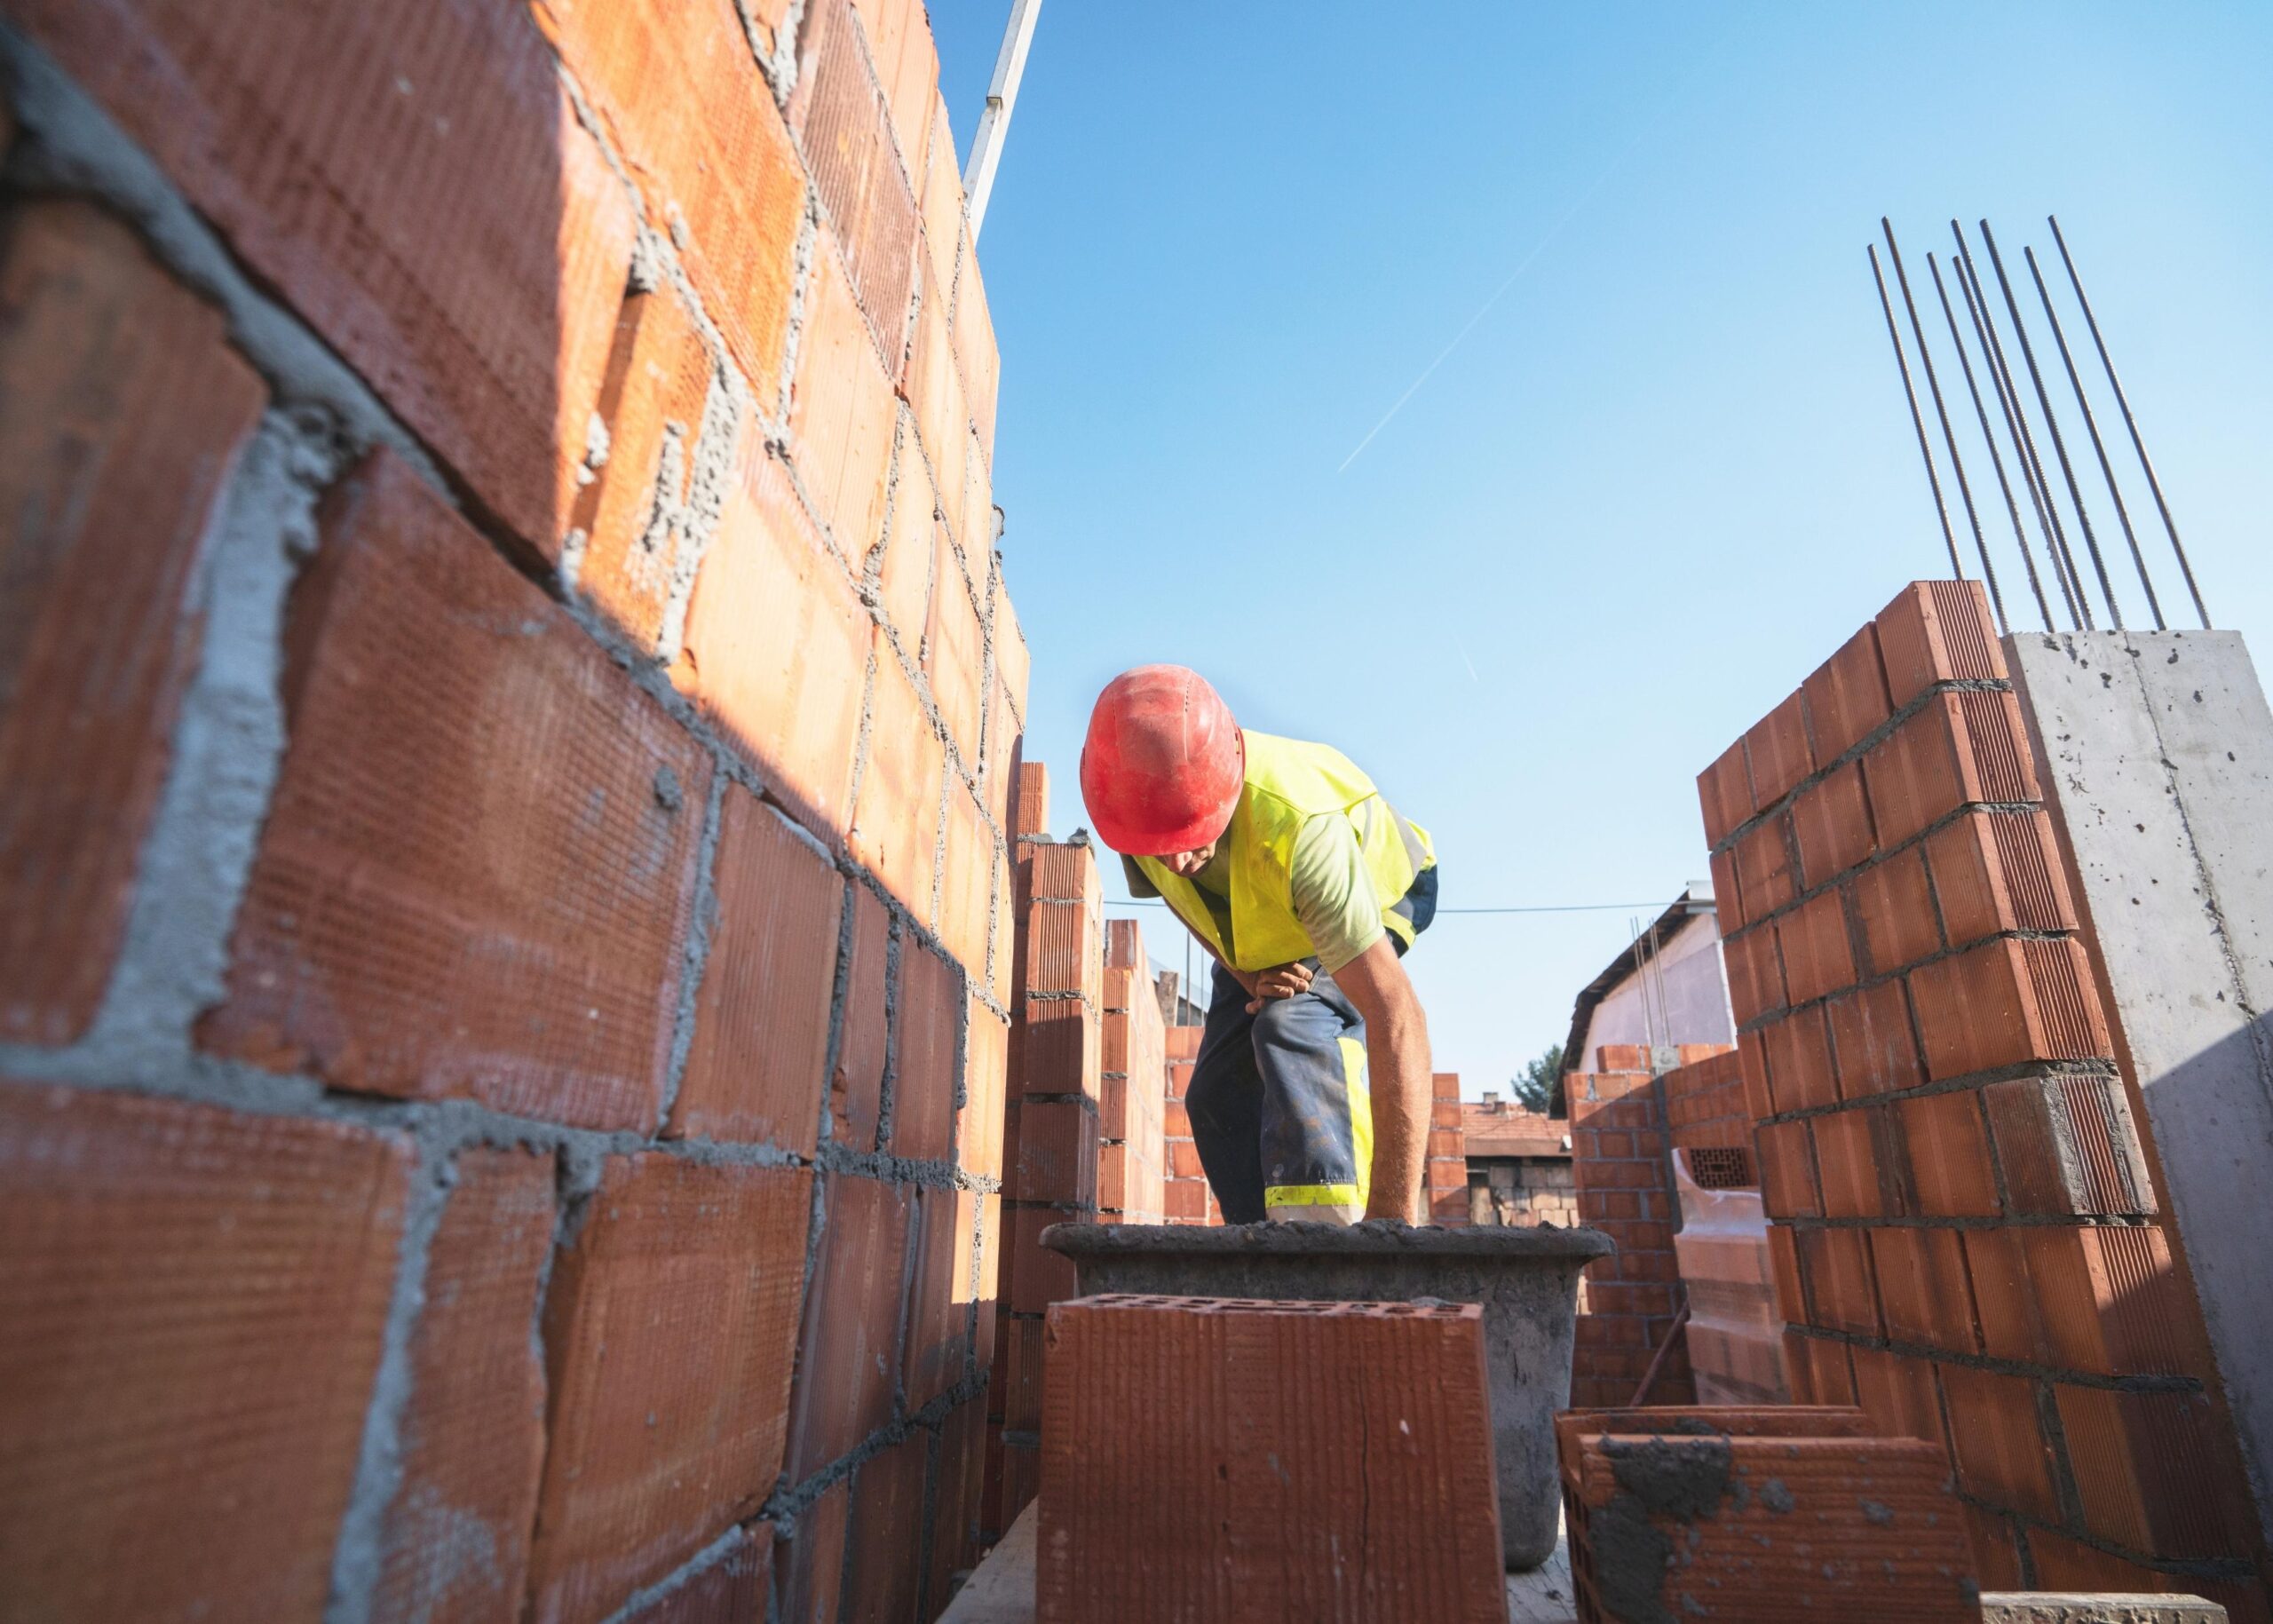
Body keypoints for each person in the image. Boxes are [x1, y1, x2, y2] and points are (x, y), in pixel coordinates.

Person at [1079, 664, 1438, 1224]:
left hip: (1378, 885)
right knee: (1215, 1095)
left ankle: (1333, 1238)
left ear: (1222, 784)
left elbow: (1397, 1016)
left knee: (1290, 1029)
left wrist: (1391, 1224)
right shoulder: (1137, 809)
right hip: (1264, 917)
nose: (1175, 860)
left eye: (1191, 832)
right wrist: (1242, 973)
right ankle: (1257, 1248)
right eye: (1159, 845)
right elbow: (1177, 894)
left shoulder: (1302, 831)